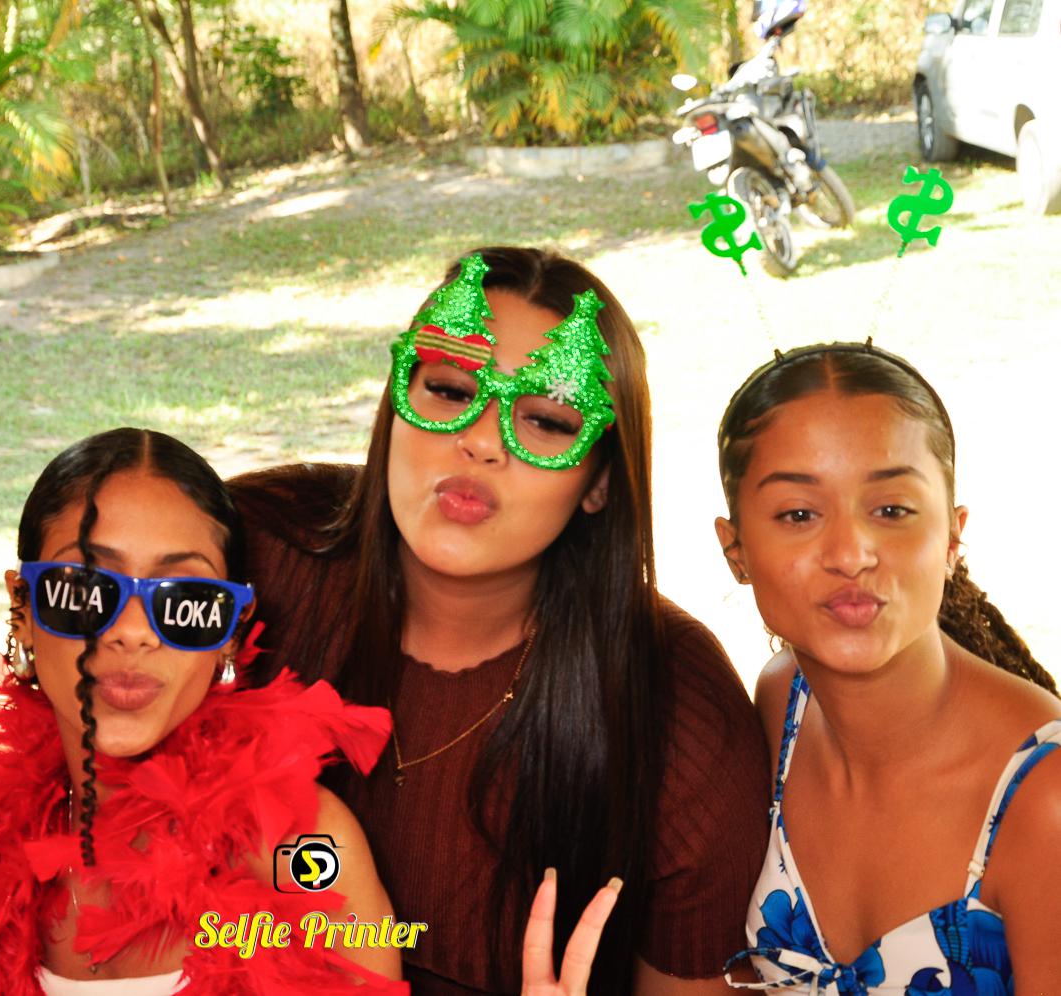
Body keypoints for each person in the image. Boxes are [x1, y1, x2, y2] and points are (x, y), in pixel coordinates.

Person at [229, 248, 771, 994]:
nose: (481, 441)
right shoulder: (251, 555)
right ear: (395, 405)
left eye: (546, 420)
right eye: (450, 390)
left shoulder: (677, 718)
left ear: (599, 483)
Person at [0, 428, 408, 995]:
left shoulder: (298, 840)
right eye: (86, 590)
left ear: (231, 632)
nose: (132, 632)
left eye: (184, 599)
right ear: (23, 609)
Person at [714, 342, 1061, 992]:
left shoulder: (1045, 800)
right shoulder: (783, 702)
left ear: (952, 537)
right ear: (736, 551)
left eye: (892, 510)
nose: (851, 554)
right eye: (798, 514)